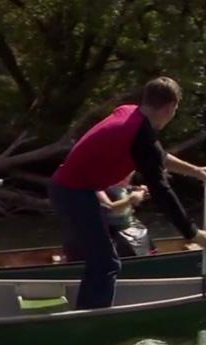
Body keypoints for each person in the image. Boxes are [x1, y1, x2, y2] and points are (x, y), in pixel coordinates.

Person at [49, 76, 206, 310]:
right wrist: (192, 233)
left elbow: (158, 155)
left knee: (102, 260)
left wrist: (196, 171)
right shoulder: (139, 135)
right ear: (170, 107)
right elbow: (162, 191)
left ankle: (89, 309)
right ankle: (91, 320)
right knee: (106, 263)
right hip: (73, 193)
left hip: (72, 189)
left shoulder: (131, 113)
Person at [96, 173, 155, 257]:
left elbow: (132, 199)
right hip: (113, 234)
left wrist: (141, 193)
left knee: (144, 240)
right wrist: (130, 199)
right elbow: (110, 207)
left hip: (133, 227)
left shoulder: (124, 186)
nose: (127, 177)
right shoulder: (99, 188)